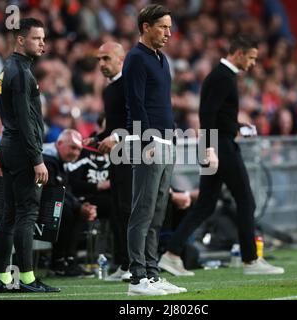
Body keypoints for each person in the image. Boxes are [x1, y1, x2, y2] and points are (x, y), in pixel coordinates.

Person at [158, 35, 285, 276]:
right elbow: (207, 115)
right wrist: (209, 149)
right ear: (238, 53)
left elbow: (217, 115)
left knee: (205, 204)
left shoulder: (222, 76)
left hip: (217, 143)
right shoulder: (222, 77)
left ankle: (172, 254)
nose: (253, 64)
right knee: (246, 200)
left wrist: (238, 127)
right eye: (251, 58)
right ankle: (250, 260)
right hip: (220, 147)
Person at [123, 4, 186, 296]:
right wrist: (146, 140)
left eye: (170, 27)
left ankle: (151, 273)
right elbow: (135, 104)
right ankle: (137, 278)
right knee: (143, 211)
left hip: (166, 141)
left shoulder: (161, 59)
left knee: (159, 213)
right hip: (149, 144)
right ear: (146, 27)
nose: (168, 33)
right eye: (163, 27)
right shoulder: (135, 58)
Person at [0, 18, 60, 293]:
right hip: (22, 150)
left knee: (9, 215)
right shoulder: (21, 72)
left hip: (7, 146)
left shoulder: (8, 69)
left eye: (43, 38)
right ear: (20, 40)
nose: (42, 43)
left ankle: (4, 279)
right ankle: (28, 279)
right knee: (26, 213)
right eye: (36, 38)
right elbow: (24, 119)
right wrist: (37, 158)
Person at [89, 42, 132, 282]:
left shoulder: (129, 85)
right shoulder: (109, 90)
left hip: (133, 155)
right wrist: (98, 137)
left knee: (128, 209)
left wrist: (115, 137)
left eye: (106, 58)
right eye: (99, 59)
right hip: (117, 157)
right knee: (118, 210)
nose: (101, 64)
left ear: (120, 59)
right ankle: (124, 263)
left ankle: (135, 264)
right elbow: (114, 125)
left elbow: (136, 120)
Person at [43, 129, 97, 277]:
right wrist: (79, 207)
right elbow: (52, 192)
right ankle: (58, 262)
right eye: (72, 147)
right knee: (65, 210)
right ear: (59, 143)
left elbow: (65, 191)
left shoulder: (60, 160)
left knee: (76, 209)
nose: (76, 153)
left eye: (79, 149)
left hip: (45, 205)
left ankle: (69, 261)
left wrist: (82, 206)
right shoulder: (46, 159)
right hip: (32, 209)